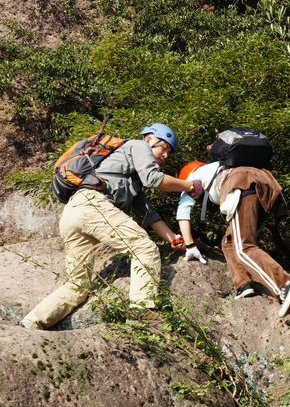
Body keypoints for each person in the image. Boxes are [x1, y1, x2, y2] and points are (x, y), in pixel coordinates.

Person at [20, 123, 204, 329]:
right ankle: (142, 310)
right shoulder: (138, 146)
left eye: (169, 152)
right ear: (150, 139)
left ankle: (31, 323)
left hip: (73, 213)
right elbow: (154, 178)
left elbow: (148, 214)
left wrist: (173, 239)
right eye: (164, 148)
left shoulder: (130, 179)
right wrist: (189, 185)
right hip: (93, 205)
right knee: (143, 247)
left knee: (77, 286)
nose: (165, 155)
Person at [174, 159, 290, 318]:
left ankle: (284, 283)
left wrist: (190, 245)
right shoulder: (219, 165)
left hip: (243, 187)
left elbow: (183, 212)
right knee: (229, 242)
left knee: (244, 246)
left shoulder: (190, 179)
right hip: (266, 186)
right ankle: (243, 285)